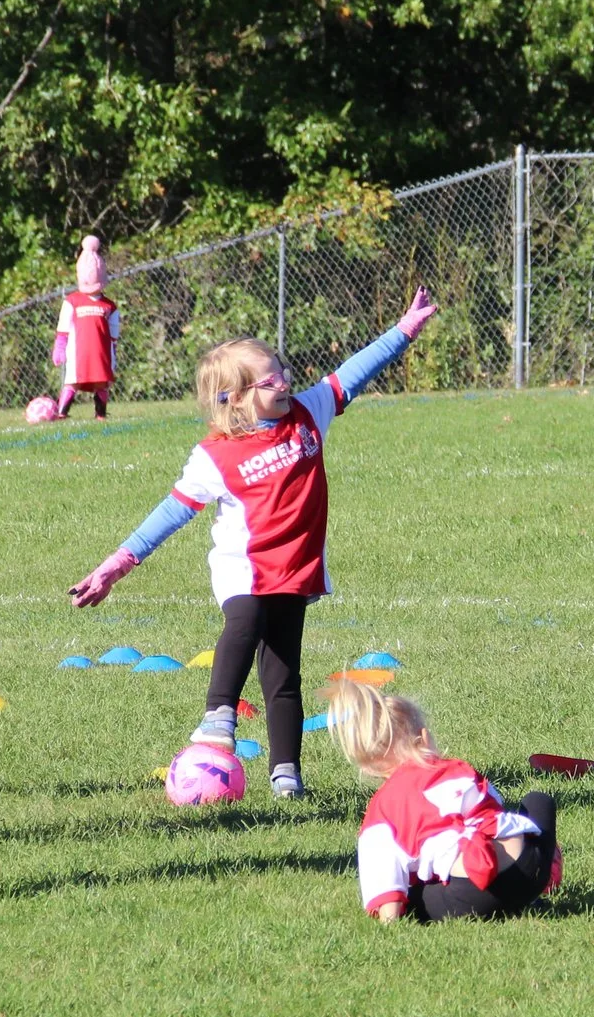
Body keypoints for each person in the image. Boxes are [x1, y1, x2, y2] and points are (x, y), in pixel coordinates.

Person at [68, 290, 439, 798]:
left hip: (296, 571)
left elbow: (352, 371)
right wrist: (117, 564)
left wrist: (403, 331)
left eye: (282, 371)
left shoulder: (308, 415)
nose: (284, 382)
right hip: (243, 569)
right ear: (235, 397)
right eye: (270, 380)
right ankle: (218, 716)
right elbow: (171, 513)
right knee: (245, 622)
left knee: (283, 675)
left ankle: (287, 775)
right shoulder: (214, 456)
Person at [328, 677, 559, 922]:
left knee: (413, 895)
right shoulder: (457, 769)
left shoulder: (382, 808)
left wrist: (390, 920)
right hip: (528, 868)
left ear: (370, 767)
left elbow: (384, 875)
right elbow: (495, 807)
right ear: (424, 738)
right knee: (538, 800)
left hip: (474, 891)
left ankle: (495, 900)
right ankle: (534, 887)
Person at [53, 235, 121, 419]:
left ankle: (100, 414)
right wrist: (60, 346)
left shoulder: (109, 306)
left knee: (101, 383)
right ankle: (62, 412)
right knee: (72, 381)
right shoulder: (72, 301)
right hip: (78, 353)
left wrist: (113, 347)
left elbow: (114, 332)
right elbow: (63, 327)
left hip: (101, 353)